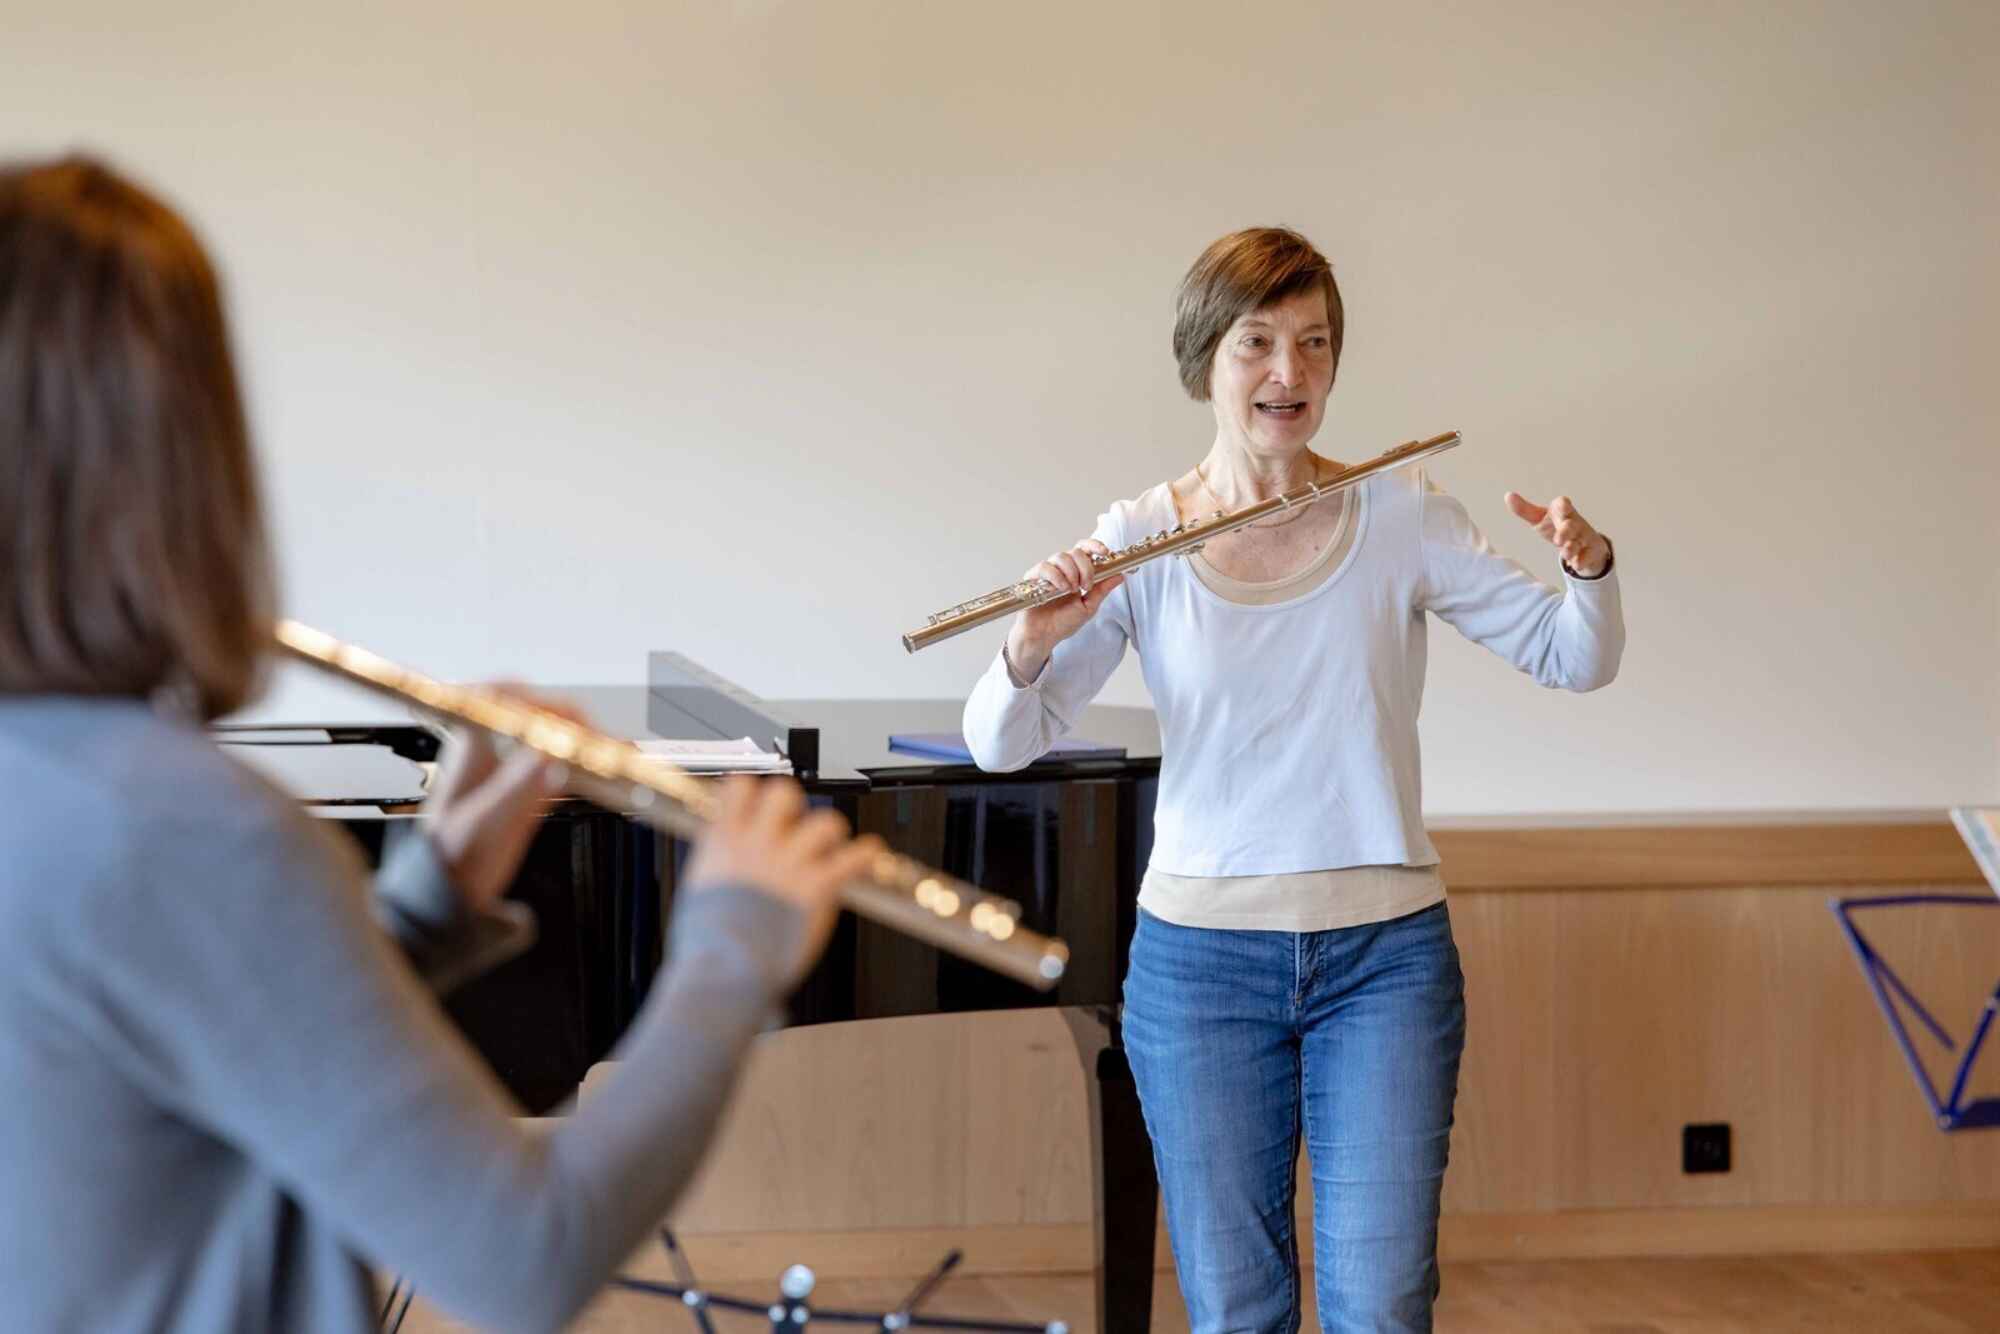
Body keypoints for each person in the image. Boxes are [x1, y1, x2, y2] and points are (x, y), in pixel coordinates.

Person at [0, 154, 880, 1332]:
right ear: (176, 452)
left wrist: (434, 894)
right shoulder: (177, 826)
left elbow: (189, 1076)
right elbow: (523, 1256)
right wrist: (733, 943)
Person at [963, 227, 1625, 1332]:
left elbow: (1573, 657)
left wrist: (1588, 569)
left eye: (1314, 343)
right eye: (1257, 342)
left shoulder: (1402, 512)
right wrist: (1030, 637)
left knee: (1383, 1304)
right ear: (1205, 358)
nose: (1289, 371)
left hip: (1385, 960)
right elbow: (1000, 744)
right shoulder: (1138, 538)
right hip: (1198, 967)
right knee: (1237, 1310)